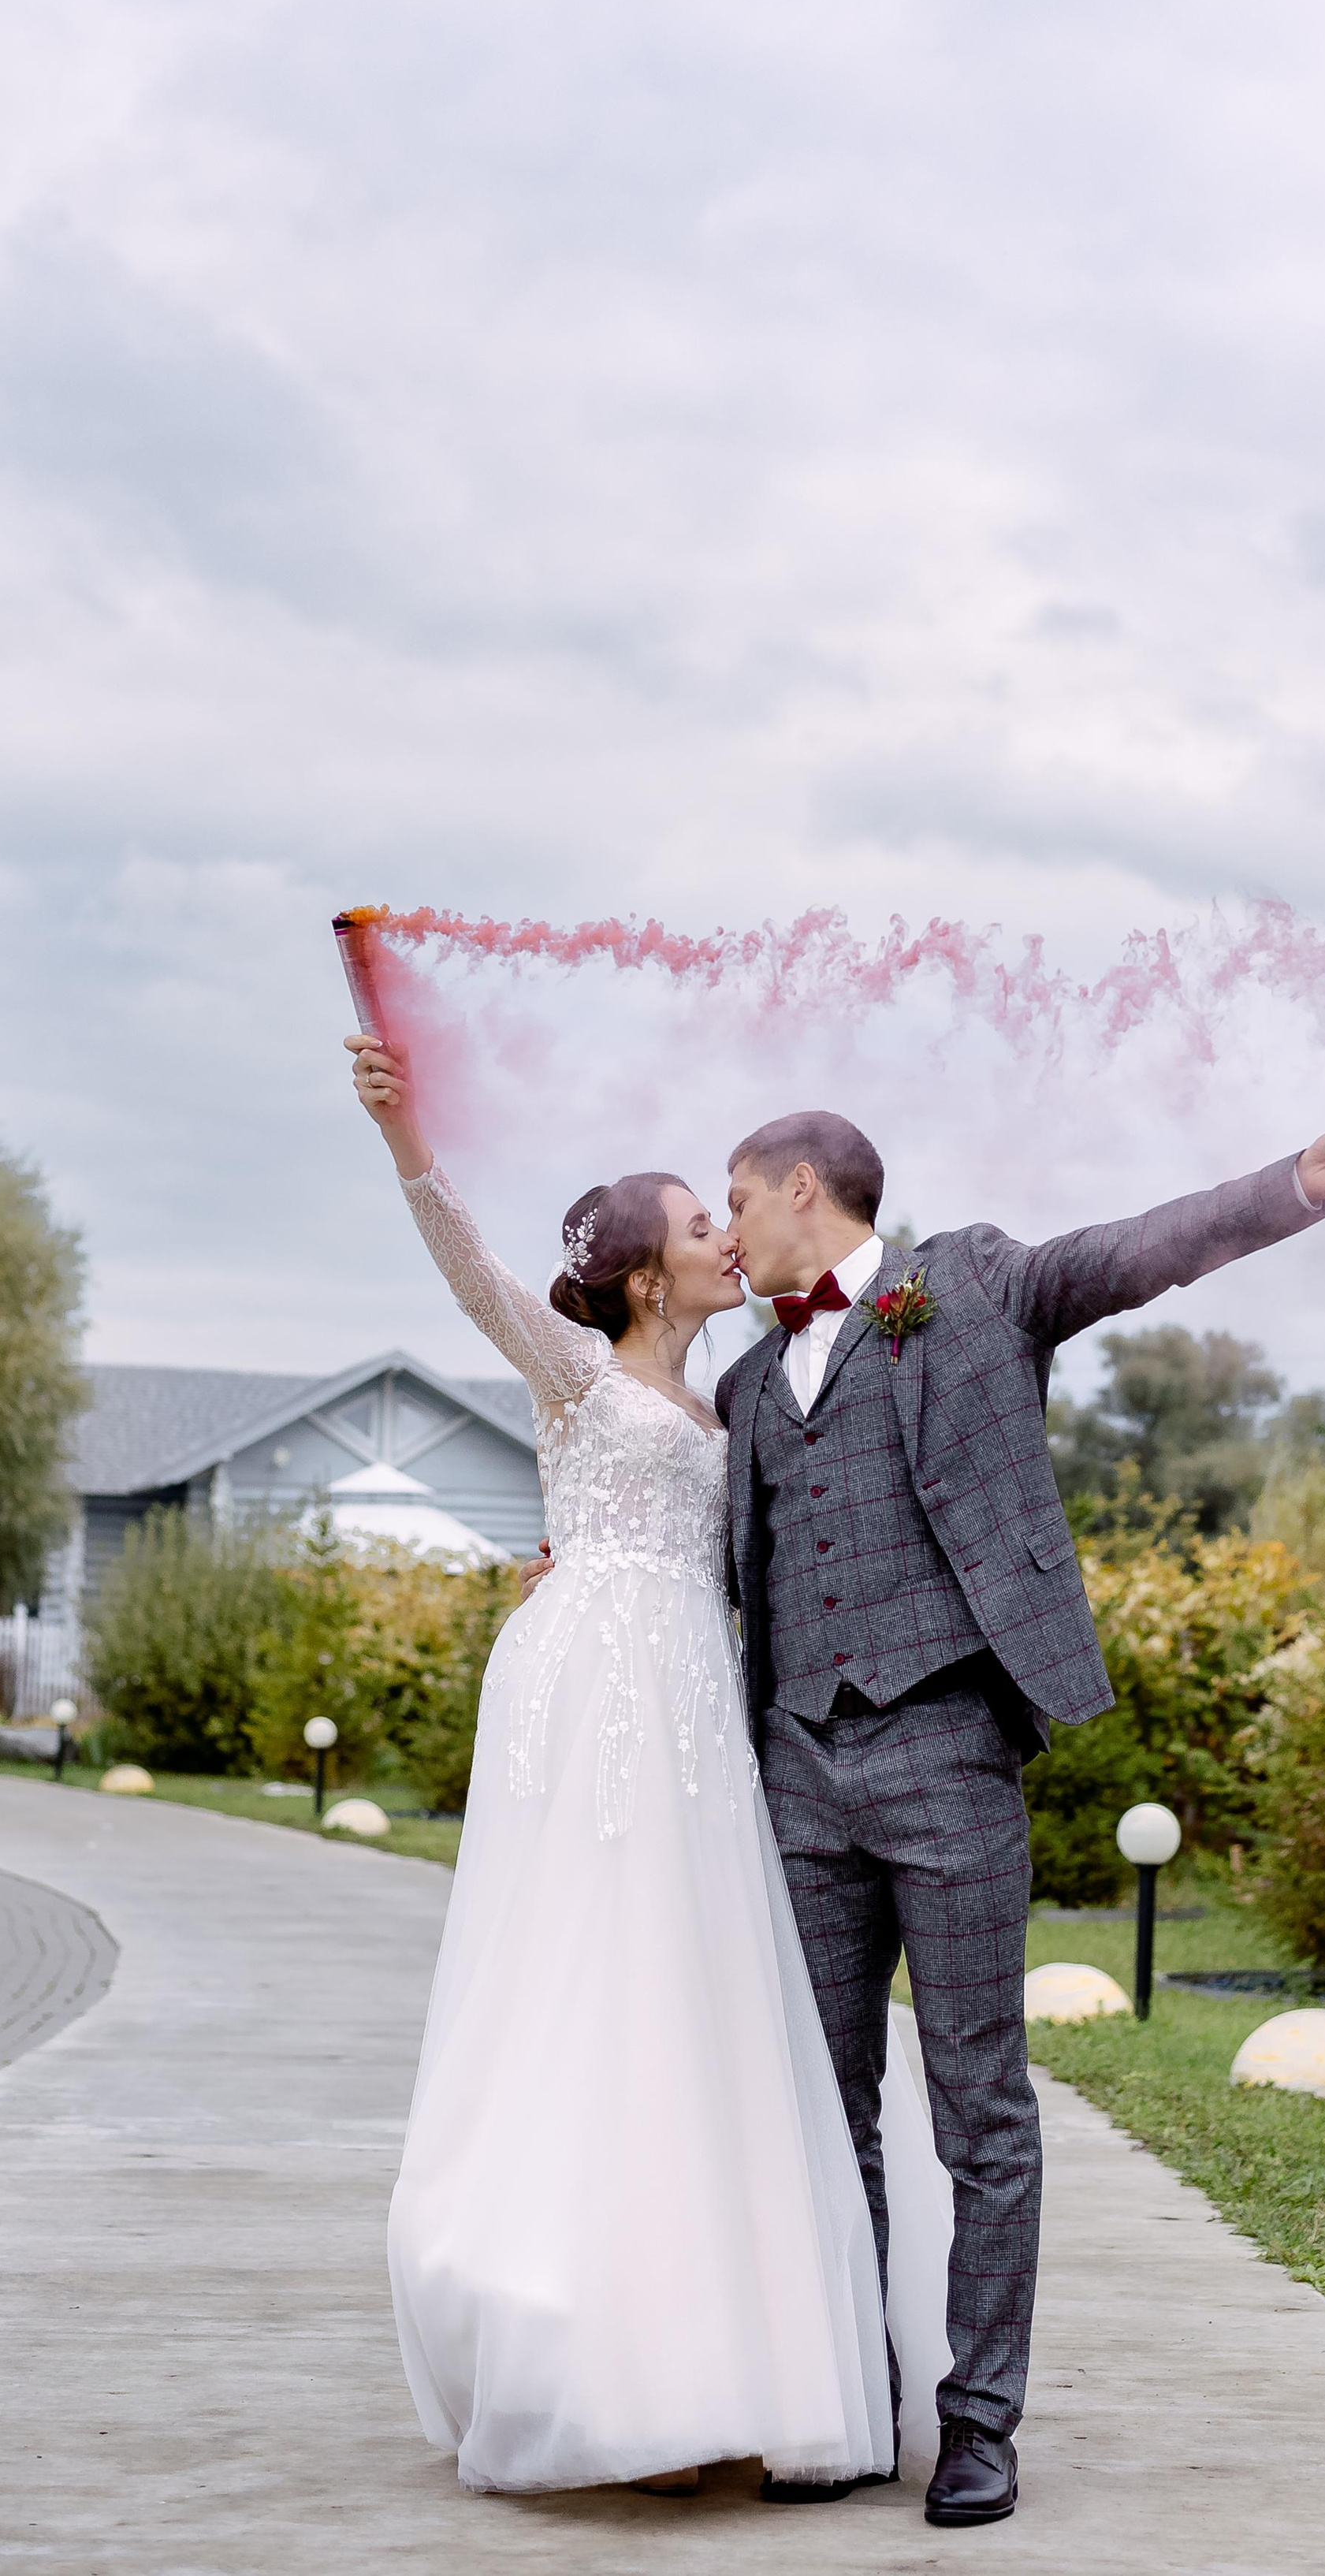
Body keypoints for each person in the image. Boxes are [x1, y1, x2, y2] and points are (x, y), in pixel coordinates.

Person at [525, 1087, 1325, 2529]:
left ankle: (979, 2423)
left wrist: (1300, 1181)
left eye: (736, 1200)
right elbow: (685, 1548)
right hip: (796, 1771)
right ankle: (851, 2405)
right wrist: (574, 1567)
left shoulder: (976, 1287)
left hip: (949, 1754)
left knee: (979, 2106)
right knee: (825, 2110)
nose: (730, 1236)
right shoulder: (745, 1390)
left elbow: (1144, 1248)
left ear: (801, 1184)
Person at [345, 1030, 952, 2503]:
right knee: (593, 1981)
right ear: (640, 1275)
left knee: (707, 2007)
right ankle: (586, 2352)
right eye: (699, 1225)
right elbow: (472, 1272)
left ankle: (722, 2362)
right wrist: (407, 1138)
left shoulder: (742, 1395)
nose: (724, 1235)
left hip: (704, 1697)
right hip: (594, 1684)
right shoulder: (575, 1373)